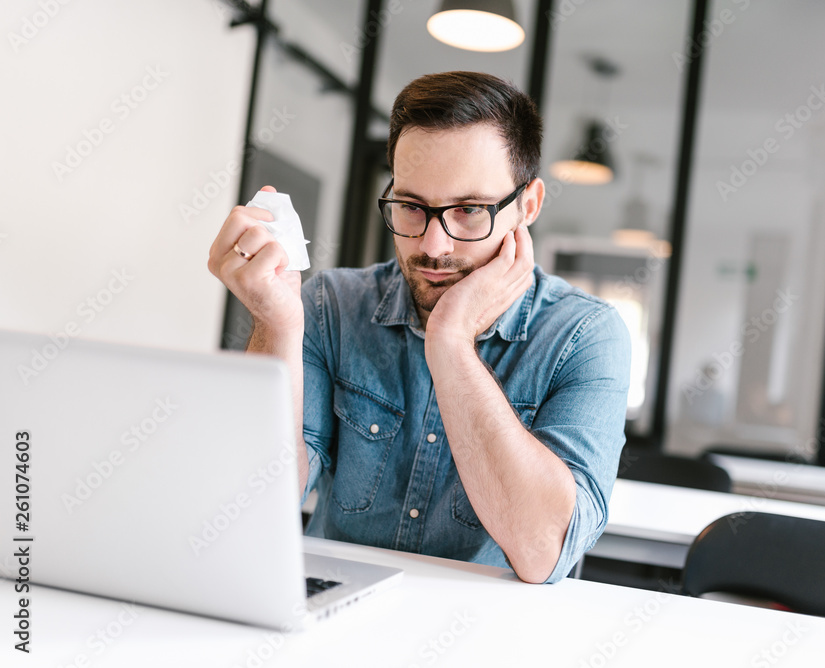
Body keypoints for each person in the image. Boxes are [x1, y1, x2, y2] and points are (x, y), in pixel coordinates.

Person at [207, 71, 630, 584]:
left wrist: (450, 343)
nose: (432, 246)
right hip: (332, 616)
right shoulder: (330, 306)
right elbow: (256, 505)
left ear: (529, 205)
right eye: (411, 207)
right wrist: (276, 324)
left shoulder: (584, 336)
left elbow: (543, 551)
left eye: (470, 211)